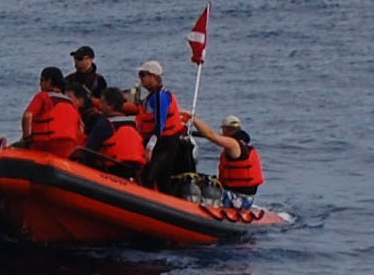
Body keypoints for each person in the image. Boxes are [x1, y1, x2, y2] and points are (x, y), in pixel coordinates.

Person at [132, 60, 198, 189]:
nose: (141, 79)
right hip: (159, 141)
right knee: (161, 177)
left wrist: (150, 147)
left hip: (165, 142)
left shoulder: (160, 97)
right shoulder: (151, 97)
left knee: (151, 175)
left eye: (143, 75)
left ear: (153, 77)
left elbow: (159, 125)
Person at [191, 114, 264, 202]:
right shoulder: (242, 144)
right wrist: (191, 132)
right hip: (243, 195)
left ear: (226, 129)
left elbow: (211, 135)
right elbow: (210, 135)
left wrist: (193, 118)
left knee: (201, 191)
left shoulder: (233, 145)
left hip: (238, 197)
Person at [19, 67, 84, 154]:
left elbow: (27, 116)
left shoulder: (43, 97)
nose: (40, 84)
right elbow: (81, 128)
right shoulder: (71, 103)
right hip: (66, 148)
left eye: (41, 80)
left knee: (15, 147)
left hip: (43, 145)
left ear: (49, 81)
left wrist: (27, 139)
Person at [85, 89, 149, 173]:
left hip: (110, 169)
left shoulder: (104, 124)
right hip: (133, 169)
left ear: (111, 105)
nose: (99, 105)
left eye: (102, 102)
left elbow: (89, 150)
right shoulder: (134, 123)